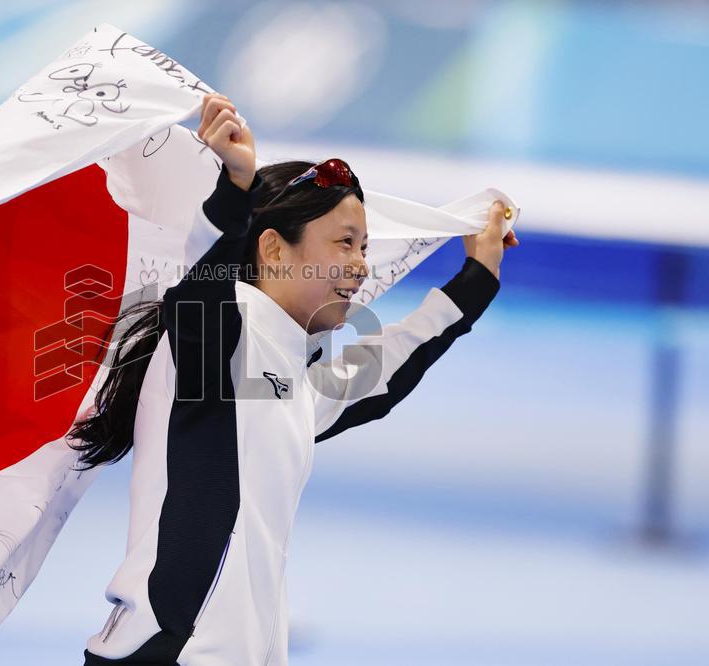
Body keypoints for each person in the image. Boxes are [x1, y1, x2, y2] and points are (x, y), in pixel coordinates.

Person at [71, 92, 519, 665]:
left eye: (363, 246)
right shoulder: (219, 339)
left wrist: (477, 278)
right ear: (274, 252)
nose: (360, 265)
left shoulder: (286, 370)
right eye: (344, 243)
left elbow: (384, 371)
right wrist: (235, 187)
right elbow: (201, 284)